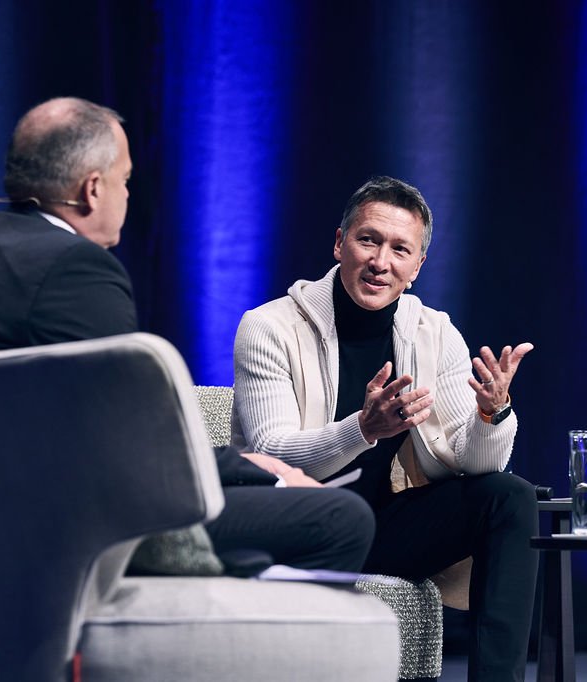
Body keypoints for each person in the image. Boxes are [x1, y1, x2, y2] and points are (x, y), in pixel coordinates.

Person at [0, 96, 373, 573]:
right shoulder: (73, 266)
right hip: (56, 520)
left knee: (255, 552)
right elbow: (128, 433)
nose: (128, 195)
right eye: (125, 180)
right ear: (93, 189)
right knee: (341, 519)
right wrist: (261, 472)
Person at [231, 176, 539, 681]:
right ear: (339, 243)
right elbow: (272, 453)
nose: (380, 262)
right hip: (296, 529)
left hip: (383, 527)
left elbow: (475, 461)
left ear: (416, 267)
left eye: (400, 250)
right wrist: (363, 428)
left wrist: (492, 414)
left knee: (510, 496)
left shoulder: (433, 331)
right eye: (368, 240)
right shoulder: (269, 327)